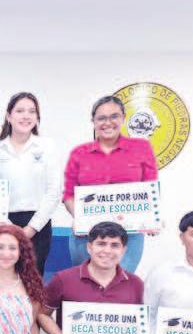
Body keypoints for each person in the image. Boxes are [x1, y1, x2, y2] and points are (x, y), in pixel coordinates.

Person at [63, 96, 158, 273]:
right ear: (93, 121)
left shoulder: (142, 148)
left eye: (114, 116)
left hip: (128, 236)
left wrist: (151, 218)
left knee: (120, 284)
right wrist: (80, 217)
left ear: (123, 118)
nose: (108, 123)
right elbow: (68, 195)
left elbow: (150, 189)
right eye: (101, 118)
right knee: (84, 285)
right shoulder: (79, 153)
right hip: (86, 236)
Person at [0, 92, 62, 274]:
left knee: (32, 280)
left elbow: (54, 191)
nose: (26, 116)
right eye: (20, 111)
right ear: (9, 116)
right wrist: (7, 227)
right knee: (4, 278)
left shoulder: (47, 146)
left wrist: (31, 229)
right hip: (2, 223)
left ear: (37, 117)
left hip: (38, 225)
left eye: (32, 111)